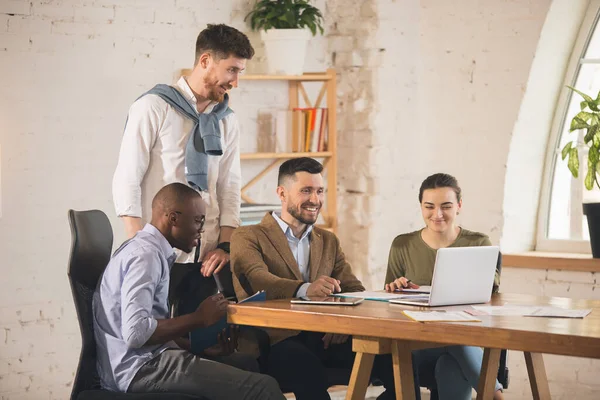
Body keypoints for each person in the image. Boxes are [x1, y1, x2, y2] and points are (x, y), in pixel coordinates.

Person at [93, 182, 284, 399]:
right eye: (197, 221)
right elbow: (136, 333)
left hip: (147, 359)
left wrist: (196, 348)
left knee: (246, 363)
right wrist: (199, 318)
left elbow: (146, 333)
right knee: (263, 387)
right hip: (139, 369)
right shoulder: (145, 256)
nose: (201, 230)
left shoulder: (149, 250)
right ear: (173, 218)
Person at [230, 157, 396, 400]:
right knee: (307, 368)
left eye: (319, 191)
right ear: (282, 193)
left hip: (324, 335)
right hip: (273, 339)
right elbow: (258, 280)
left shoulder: (328, 240)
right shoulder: (248, 235)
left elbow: (354, 288)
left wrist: (343, 321)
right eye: (306, 191)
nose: (315, 200)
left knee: (391, 358)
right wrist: (305, 288)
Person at [112, 24, 255, 305]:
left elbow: (230, 185)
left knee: (199, 340)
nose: (235, 82)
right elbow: (127, 177)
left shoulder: (227, 120)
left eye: (239, 72)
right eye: (232, 70)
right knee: (154, 338)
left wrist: (226, 245)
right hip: (159, 249)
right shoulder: (153, 107)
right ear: (205, 61)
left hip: (207, 257)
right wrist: (141, 246)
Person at [384, 173, 503, 400]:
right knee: (456, 345)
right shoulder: (402, 245)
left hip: (466, 339)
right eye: (429, 206)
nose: (437, 214)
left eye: (446, 206)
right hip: (417, 343)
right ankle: (497, 396)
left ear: (459, 206)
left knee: (452, 358)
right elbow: (388, 303)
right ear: (420, 206)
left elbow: (492, 296)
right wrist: (396, 288)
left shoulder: (478, 243)